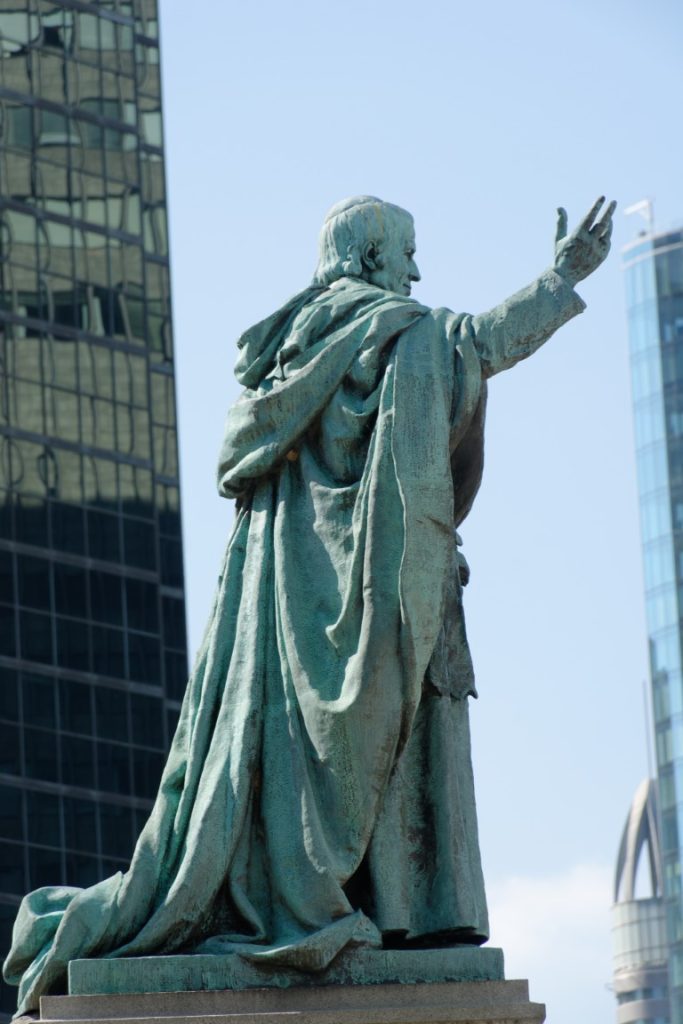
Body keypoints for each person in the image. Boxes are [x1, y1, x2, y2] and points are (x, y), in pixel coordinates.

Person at [4, 195, 615, 1016]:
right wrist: (560, 279)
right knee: (396, 735)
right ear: (368, 258)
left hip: (284, 614)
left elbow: (244, 455)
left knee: (303, 754)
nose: (416, 272)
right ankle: (388, 916)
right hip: (382, 596)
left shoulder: (288, 361)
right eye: (406, 253)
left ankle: (371, 912)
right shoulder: (405, 336)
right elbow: (479, 342)